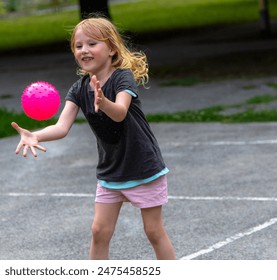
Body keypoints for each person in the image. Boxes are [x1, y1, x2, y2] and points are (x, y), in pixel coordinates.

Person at [11, 17, 176, 260]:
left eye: (92, 44)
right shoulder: (78, 89)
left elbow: (119, 113)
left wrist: (103, 102)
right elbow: (61, 126)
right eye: (78, 46)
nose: (84, 50)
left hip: (142, 166)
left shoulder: (122, 77)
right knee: (99, 231)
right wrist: (35, 135)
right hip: (111, 170)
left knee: (153, 231)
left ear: (111, 49)